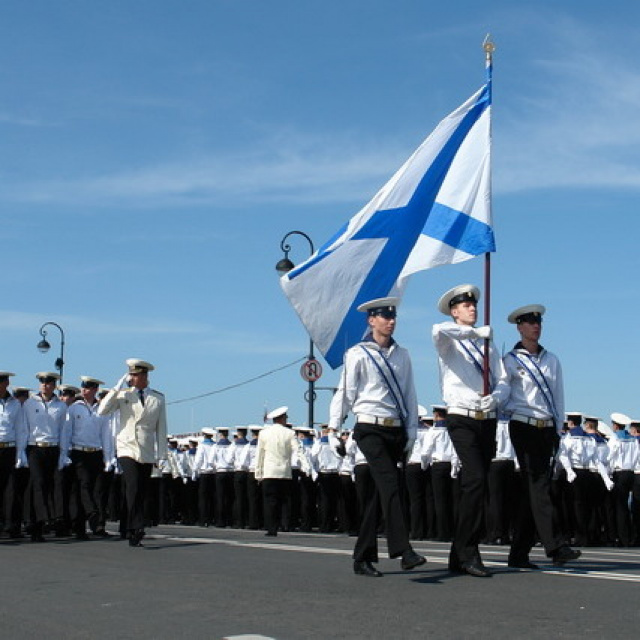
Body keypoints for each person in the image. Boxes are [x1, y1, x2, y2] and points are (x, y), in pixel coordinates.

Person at [329, 297, 425, 577]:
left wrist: (411, 431)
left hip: (394, 429)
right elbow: (345, 393)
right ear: (371, 320)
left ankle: (362, 557)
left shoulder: (402, 354)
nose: (390, 321)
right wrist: (334, 429)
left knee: (375, 495)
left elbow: (410, 394)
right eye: (384, 317)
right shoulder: (358, 353)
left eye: (393, 317)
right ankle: (403, 551)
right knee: (390, 484)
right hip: (369, 428)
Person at [433, 284, 509, 577]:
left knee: (475, 485)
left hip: (486, 417)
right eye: (466, 306)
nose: (473, 309)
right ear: (454, 312)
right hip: (461, 417)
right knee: (475, 479)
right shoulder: (451, 340)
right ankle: (469, 553)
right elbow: (438, 331)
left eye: (474, 305)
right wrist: (476, 333)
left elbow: (502, 380)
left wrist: (497, 397)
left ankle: (458, 553)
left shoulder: (487, 344)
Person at [502, 304, 581, 568]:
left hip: (547, 428)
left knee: (531, 491)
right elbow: (503, 394)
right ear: (519, 327)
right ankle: (555, 546)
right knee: (539, 485)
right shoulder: (511, 361)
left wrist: (558, 430)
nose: (536, 326)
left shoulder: (552, 360)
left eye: (538, 323)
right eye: (530, 323)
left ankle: (518, 553)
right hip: (523, 426)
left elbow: (558, 398)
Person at [98, 359, 167, 547]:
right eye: (131, 375)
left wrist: (162, 455)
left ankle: (128, 527)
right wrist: (116, 388)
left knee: (140, 491)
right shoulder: (123, 395)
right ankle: (137, 527)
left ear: (145, 376)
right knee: (133, 486)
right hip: (126, 447)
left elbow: (161, 428)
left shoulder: (157, 398)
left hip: (145, 450)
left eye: (136, 375)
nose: (133, 378)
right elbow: (103, 410)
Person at [60, 376, 113, 539]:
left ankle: (93, 523)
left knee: (95, 489)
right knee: (84, 485)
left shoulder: (101, 409)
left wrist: (108, 456)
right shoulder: (74, 407)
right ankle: (89, 516)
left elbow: (106, 434)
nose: (84, 390)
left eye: (88, 387)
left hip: (96, 452)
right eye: (83, 387)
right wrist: (65, 452)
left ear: (95, 389)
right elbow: (67, 431)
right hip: (78, 451)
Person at [21, 372, 68, 541]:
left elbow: (63, 430)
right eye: (42, 382)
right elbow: (24, 428)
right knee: (38, 483)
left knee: (49, 485)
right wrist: (22, 451)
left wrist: (64, 453)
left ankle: (39, 527)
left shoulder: (61, 406)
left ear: (54, 385)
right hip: (34, 448)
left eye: (48, 383)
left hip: (53, 448)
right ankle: (44, 518)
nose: (45, 385)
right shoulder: (29, 403)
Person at [255, 406, 308, 536]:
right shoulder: (290, 433)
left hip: (269, 472)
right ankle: (284, 525)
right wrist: (306, 465)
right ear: (282, 418)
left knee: (270, 501)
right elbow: (298, 450)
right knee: (284, 501)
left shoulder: (264, 433)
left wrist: (258, 473)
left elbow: (259, 455)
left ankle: (271, 528)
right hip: (284, 472)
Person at [0, 371, 24, 538]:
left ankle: (11, 525)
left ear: (6, 383)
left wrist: (20, 453)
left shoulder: (15, 404)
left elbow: (20, 430)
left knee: (10, 488)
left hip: (9, 448)